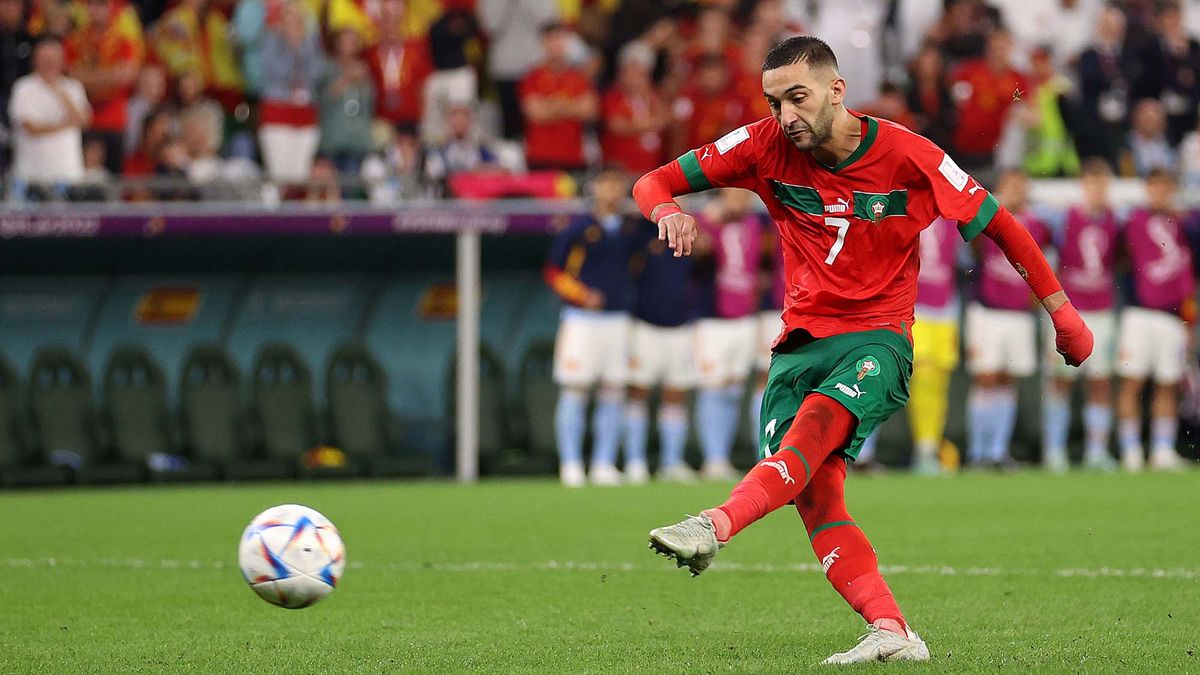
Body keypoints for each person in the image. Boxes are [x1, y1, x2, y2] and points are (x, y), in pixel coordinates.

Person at [633, 36, 1092, 664]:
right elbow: (652, 181)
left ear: (836, 90)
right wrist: (666, 210)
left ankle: (715, 524)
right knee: (817, 496)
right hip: (799, 344)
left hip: (878, 339)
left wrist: (1061, 311)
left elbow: (1000, 223)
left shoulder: (909, 154)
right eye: (774, 103)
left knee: (812, 433)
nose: (786, 115)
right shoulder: (762, 145)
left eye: (798, 97)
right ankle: (892, 630)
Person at [543, 169, 641, 486]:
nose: (612, 189)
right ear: (595, 187)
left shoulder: (631, 228)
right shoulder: (579, 228)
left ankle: (603, 463)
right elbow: (554, 272)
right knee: (576, 388)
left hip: (617, 319)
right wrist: (582, 295)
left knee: (613, 390)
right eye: (606, 182)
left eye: (617, 182)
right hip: (582, 322)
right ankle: (570, 463)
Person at [964, 169, 1050, 469]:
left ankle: (999, 451)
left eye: (1020, 186)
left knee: (1006, 381)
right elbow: (969, 253)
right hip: (987, 311)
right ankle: (977, 452)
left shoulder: (1039, 226)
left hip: (1020, 315)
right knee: (985, 378)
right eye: (1009, 186)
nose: (1015, 191)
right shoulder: (985, 218)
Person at [1042, 158, 1120, 472]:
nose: (1097, 191)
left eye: (1102, 185)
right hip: (1069, 312)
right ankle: (1055, 451)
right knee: (1061, 380)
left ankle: (1096, 451)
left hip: (1102, 309)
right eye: (1092, 184)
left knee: (1100, 381)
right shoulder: (1064, 218)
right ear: (1083, 186)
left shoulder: (1117, 220)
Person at [1116, 169, 1195, 472]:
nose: (1160, 193)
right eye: (1155, 187)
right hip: (1139, 313)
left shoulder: (1185, 225)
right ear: (1147, 189)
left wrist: (1189, 321)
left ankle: (1162, 450)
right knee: (1132, 382)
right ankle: (1130, 450)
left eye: (1166, 187)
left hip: (1173, 317)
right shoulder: (1131, 222)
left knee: (1167, 384)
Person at [692, 188, 765, 481]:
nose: (741, 201)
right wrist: (709, 222)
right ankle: (713, 459)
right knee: (713, 387)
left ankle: (725, 457)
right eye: (735, 194)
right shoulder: (704, 222)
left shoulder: (755, 225)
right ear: (721, 196)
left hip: (745, 319)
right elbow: (698, 251)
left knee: (734, 390)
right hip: (713, 321)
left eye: (746, 196)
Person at [624, 213, 696, 484]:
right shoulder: (641, 232)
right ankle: (634, 462)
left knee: (675, 394)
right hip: (646, 326)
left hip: (680, 325)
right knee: (637, 392)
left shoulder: (692, 230)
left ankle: (672, 462)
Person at [8, 37, 91, 199]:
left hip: (68, 174)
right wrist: (66, 125)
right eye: (44, 59)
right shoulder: (24, 88)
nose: (49, 63)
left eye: (53, 59)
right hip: (31, 176)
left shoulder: (73, 87)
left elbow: (84, 121)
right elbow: (30, 127)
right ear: (35, 60)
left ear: (62, 61)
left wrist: (62, 96)